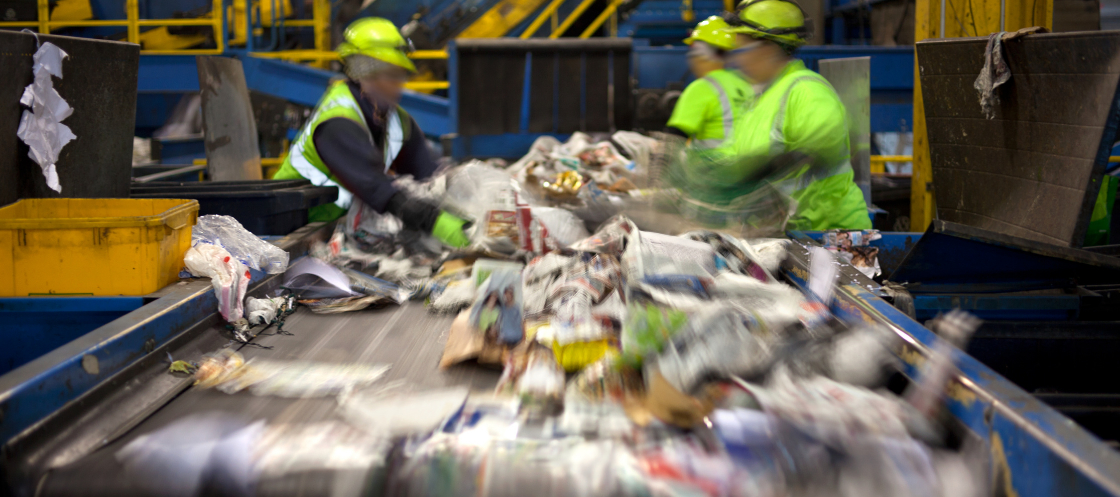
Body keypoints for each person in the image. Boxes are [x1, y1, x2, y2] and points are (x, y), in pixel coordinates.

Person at [273, 17, 470, 247]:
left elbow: (429, 172)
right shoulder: (338, 122)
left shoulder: (395, 119)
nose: (400, 84)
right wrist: (437, 222)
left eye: (401, 75)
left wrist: (467, 198)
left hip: (335, 233)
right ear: (367, 74)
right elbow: (379, 189)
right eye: (393, 75)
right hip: (290, 236)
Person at [722, 0, 871, 230]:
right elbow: (738, 160)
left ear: (768, 48)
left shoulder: (807, 90)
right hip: (790, 235)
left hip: (832, 239)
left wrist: (766, 171)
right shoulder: (759, 99)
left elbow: (822, 148)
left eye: (742, 47)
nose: (737, 58)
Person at [665, 16, 751, 151]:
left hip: (711, 168)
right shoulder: (745, 84)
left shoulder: (702, 88)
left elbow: (673, 141)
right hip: (750, 167)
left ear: (701, 55)